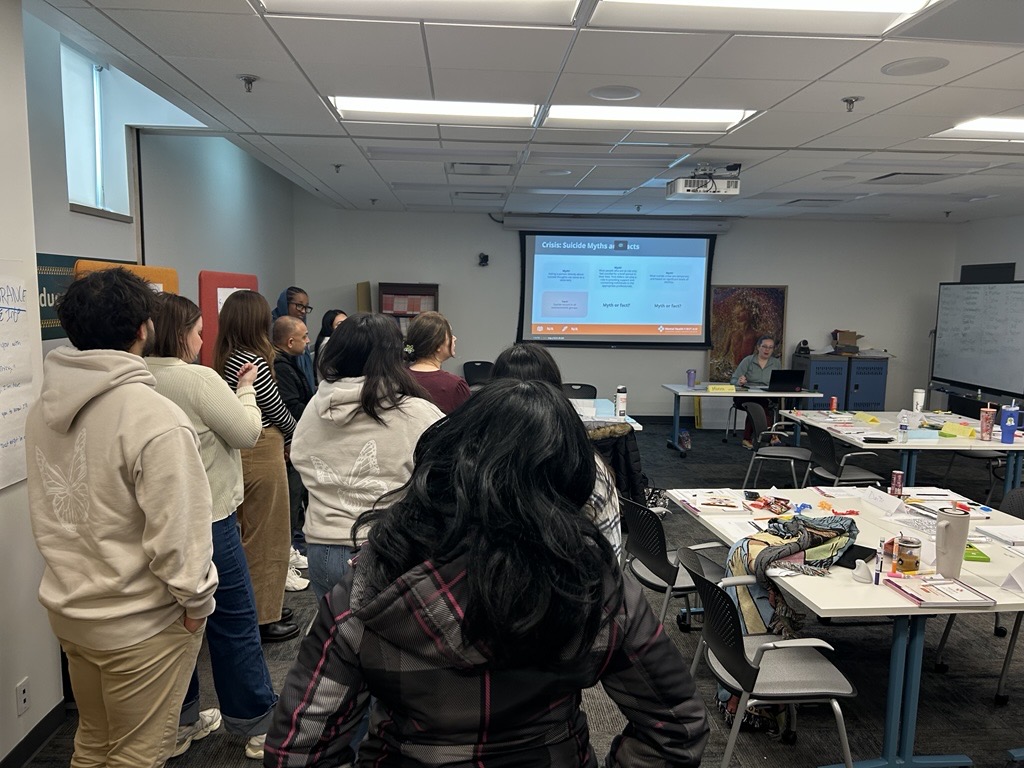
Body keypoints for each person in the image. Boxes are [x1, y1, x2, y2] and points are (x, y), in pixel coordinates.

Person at [265, 380, 710, 767]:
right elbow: (677, 727)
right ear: (570, 481)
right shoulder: (597, 588)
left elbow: (298, 751)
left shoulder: (373, 586)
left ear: (450, 459)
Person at [25, 268, 218, 768]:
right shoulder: (154, 416)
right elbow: (180, 532)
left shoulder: (42, 409)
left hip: (71, 608)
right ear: (144, 329)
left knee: (92, 742)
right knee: (137, 755)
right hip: (139, 623)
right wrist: (197, 601)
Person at [147, 293, 278, 761]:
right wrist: (245, 390)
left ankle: (181, 721)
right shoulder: (197, 379)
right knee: (233, 619)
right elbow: (246, 433)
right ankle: (256, 721)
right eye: (199, 332)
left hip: (158, 521)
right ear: (180, 333)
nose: (204, 341)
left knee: (174, 622)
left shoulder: (137, 378)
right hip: (210, 517)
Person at [292, 312, 444, 602]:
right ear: (394, 356)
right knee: (387, 642)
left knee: (336, 638)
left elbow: (299, 457)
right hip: (386, 547)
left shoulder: (316, 406)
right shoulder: (417, 413)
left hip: (322, 549)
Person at [214, 290, 304, 644]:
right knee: (269, 535)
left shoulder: (225, 356)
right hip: (263, 443)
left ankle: (264, 606)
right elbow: (275, 408)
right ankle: (265, 616)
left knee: (250, 532)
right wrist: (297, 436)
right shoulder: (253, 359)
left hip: (241, 449)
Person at [491, 342, 622, 560]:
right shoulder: (586, 466)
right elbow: (610, 559)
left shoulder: (470, 457)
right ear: (556, 391)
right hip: (570, 587)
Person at [272, 315, 315, 563]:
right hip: (291, 442)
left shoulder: (288, 363)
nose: (308, 341)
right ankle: (284, 556)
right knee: (290, 501)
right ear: (290, 341)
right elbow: (291, 406)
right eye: (304, 337)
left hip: (296, 439)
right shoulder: (281, 367)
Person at [404, 310, 470, 414]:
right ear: (438, 345)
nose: (454, 338)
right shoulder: (454, 386)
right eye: (450, 334)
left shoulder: (397, 379)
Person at [730, 335, 782, 449]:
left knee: (758, 405)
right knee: (757, 405)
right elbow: (733, 380)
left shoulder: (776, 363)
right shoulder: (748, 360)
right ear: (758, 347)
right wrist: (739, 381)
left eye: (770, 347)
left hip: (766, 396)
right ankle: (771, 435)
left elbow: (779, 381)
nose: (767, 350)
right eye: (764, 347)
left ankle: (747, 439)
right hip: (745, 396)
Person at [272, 286, 315, 391]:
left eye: (306, 307)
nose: (303, 311)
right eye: (299, 305)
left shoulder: (301, 326)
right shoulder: (273, 330)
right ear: (285, 304)